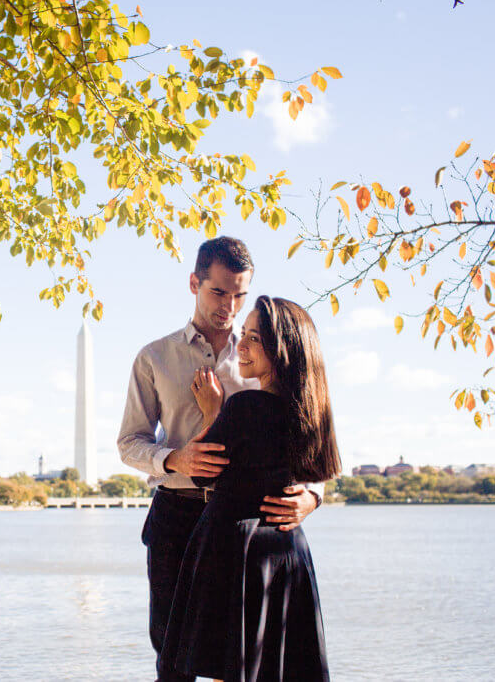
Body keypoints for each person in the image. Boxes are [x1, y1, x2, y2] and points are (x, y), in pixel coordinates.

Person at [117, 237, 325, 682]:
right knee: (173, 660)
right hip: (178, 519)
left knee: (238, 661)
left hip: (245, 529)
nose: (229, 306)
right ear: (194, 283)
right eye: (219, 292)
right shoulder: (154, 358)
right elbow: (129, 443)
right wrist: (175, 460)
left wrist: (313, 495)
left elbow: (308, 432)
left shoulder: (265, 352)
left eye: (239, 295)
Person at [160, 296, 340, 681]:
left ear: (282, 349)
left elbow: (204, 473)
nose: (240, 346)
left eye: (254, 338)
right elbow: (317, 470)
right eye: (244, 334)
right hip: (288, 549)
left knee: (233, 667)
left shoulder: (244, 407)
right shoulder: (311, 411)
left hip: (238, 550)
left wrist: (214, 413)